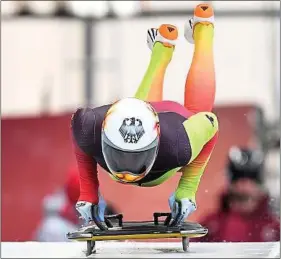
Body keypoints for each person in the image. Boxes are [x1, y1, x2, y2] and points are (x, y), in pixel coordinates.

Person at [71, 3, 218, 229]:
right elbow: (81, 141)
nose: (128, 171)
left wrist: (187, 188)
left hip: (178, 125)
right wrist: (88, 191)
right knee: (140, 106)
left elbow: (211, 123)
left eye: (136, 158)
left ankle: (201, 32)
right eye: (121, 156)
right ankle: (176, 39)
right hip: (150, 119)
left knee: (198, 114)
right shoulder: (88, 126)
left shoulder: (180, 145)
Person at [196, 147, 280, 242]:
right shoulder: (210, 226)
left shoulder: (274, 228)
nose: (244, 185)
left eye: (252, 178)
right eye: (238, 177)